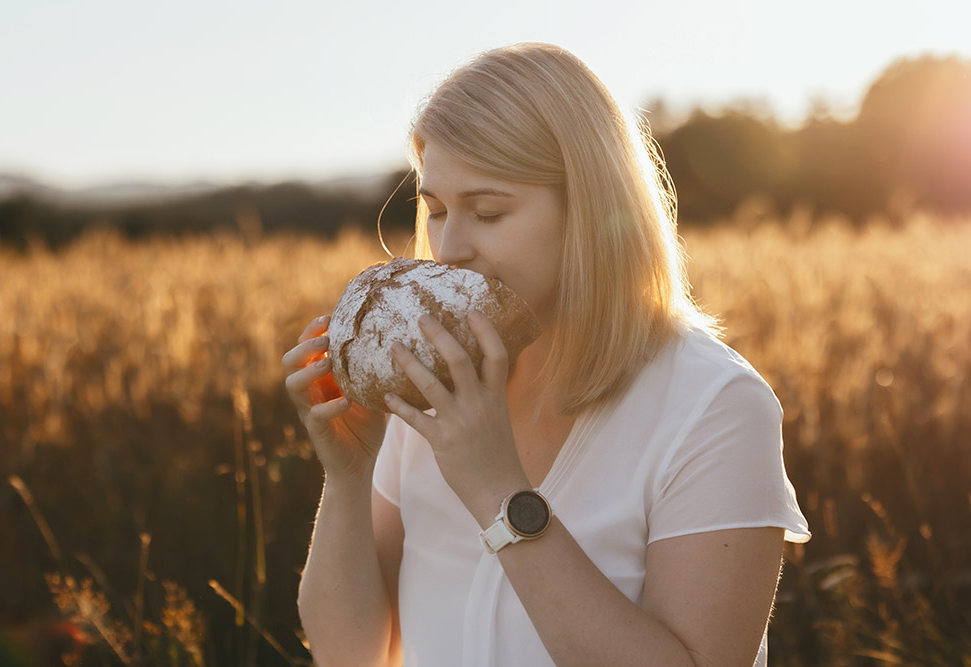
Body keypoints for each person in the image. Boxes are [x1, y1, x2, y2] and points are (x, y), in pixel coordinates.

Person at [282, 42, 810, 667]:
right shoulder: (435, 381)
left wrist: (499, 494)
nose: (448, 248)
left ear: (587, 210)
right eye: (437, 209)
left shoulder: (713, 407)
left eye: (487, 211)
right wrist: (347, 477)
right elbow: (349, 656)